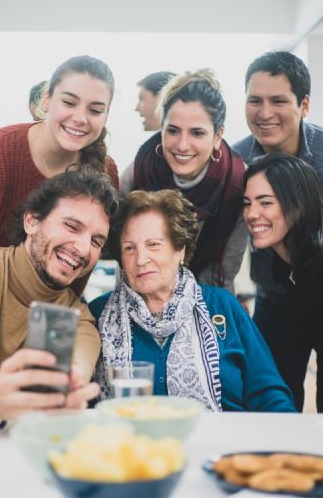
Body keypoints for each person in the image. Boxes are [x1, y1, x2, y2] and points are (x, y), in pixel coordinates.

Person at [89, 190, 295, 412]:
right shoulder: (99, 313)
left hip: (222, 444)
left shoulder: (223, 306)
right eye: (129, 248)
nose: (141, 259)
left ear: (180, 249)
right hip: (130, 445)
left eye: (153, 245)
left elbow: (269, 393)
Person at [0, 168, 120, 422]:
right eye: (71, 226)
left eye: (96, 241)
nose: (82, 248)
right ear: (32, 221)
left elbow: (63, 388)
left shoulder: (79, 321)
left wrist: (67, 391)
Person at [234, 50, 323, 407]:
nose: (265, 113)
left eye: (278, 101)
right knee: (272, 394)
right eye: (255, 100)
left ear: (303, 104)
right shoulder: (235, 160)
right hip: (274, 293)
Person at [0, 55, 119, 251]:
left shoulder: (107, 172)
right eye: (69, 103)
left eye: (95, 110)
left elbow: (85, 260)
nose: (80, 118)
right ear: (46, 101)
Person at [120, 69, 248, 292]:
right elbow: (126, 262)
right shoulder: (137, 174)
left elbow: (223, 273)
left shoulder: (237, 184)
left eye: (197, 133)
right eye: (173, 131)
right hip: (139, 295)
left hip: (207, 296)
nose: (182, 145)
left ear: (217, 136)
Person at [243, 153, 323, 411]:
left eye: (265, 203)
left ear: (297, 203)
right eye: (247, 203)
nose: (252, 214)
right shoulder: (283, 262)